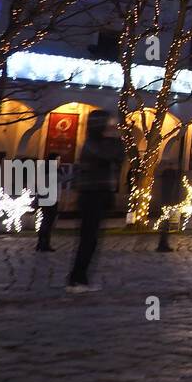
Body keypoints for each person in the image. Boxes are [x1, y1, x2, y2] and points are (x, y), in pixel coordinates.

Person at [67, 113, 123, 293]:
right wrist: (115, 137)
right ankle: (77, 279)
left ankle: (80, 278)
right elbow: (112, 155)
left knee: (91, 240)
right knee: (88, 239)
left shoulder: (97, 143)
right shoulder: (92, 145)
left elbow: (118, 157)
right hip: (92, 196)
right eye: (108, 125)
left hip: (98, 195)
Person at [35, 152, 62, 252]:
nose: (60, 162)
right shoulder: (52, 171)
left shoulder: (45, 169)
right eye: (58, 159)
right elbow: (60, 180)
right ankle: (44, 244)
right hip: (51, 199)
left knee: (45, 221)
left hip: (46, 198)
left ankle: (41, 243)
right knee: (48, 222)